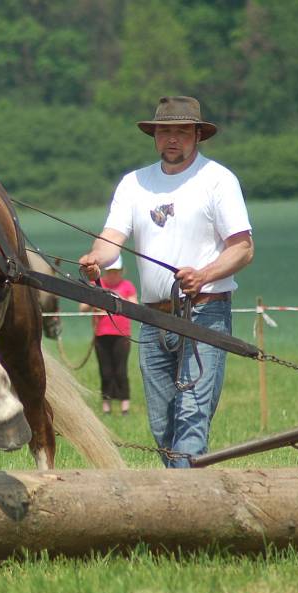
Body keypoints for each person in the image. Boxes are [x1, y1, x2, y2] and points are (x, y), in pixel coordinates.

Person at [79, 96, 254, 468]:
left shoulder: (218, 180)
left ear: (197, 136)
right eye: (164, 132)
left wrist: (204, 275)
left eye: (181, 132)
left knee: (191, 417)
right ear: (154, 136)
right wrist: (96, 259)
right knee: (162, 423)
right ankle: (184, 497)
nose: (172, 139)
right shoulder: (134, 184)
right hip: (152, 317)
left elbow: (243, 248)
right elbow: (112, 237)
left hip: (205, 312)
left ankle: (184, 508)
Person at [79, 257, 138, 416]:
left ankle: (125, 406)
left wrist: (118, 297)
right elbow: (82, 307)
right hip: (101, 334)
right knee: (105, 371)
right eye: (110, 272)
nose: (113, 275)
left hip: (121, 335)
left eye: (116, 272)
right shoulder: (96, 286)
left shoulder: (127, 286)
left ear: (121, 272)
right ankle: (107, 406)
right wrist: (95, 300)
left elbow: (134, 306)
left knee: (120, 371)